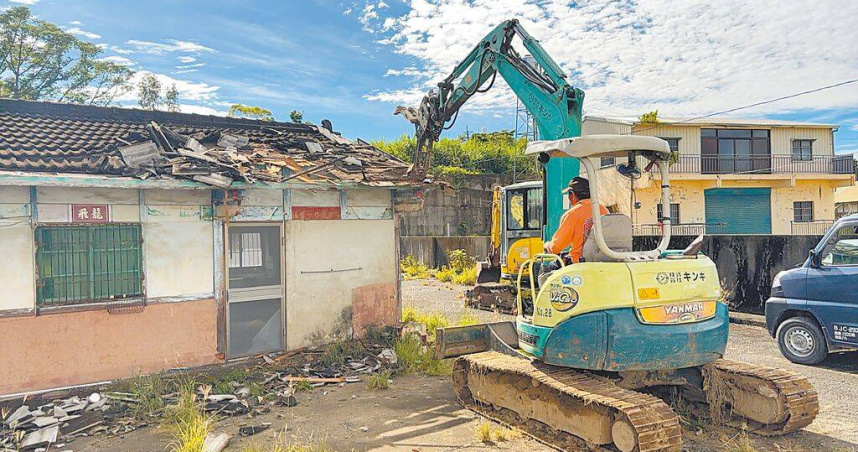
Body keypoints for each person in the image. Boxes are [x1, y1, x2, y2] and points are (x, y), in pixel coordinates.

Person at [544, 176, 608, 263]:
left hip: (579, 261)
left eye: (569, 194)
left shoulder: (572, 214)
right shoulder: (603, 210)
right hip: (604, 259)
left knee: (548, 268)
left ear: (573, 195)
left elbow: (556, 247)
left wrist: (548, 246)